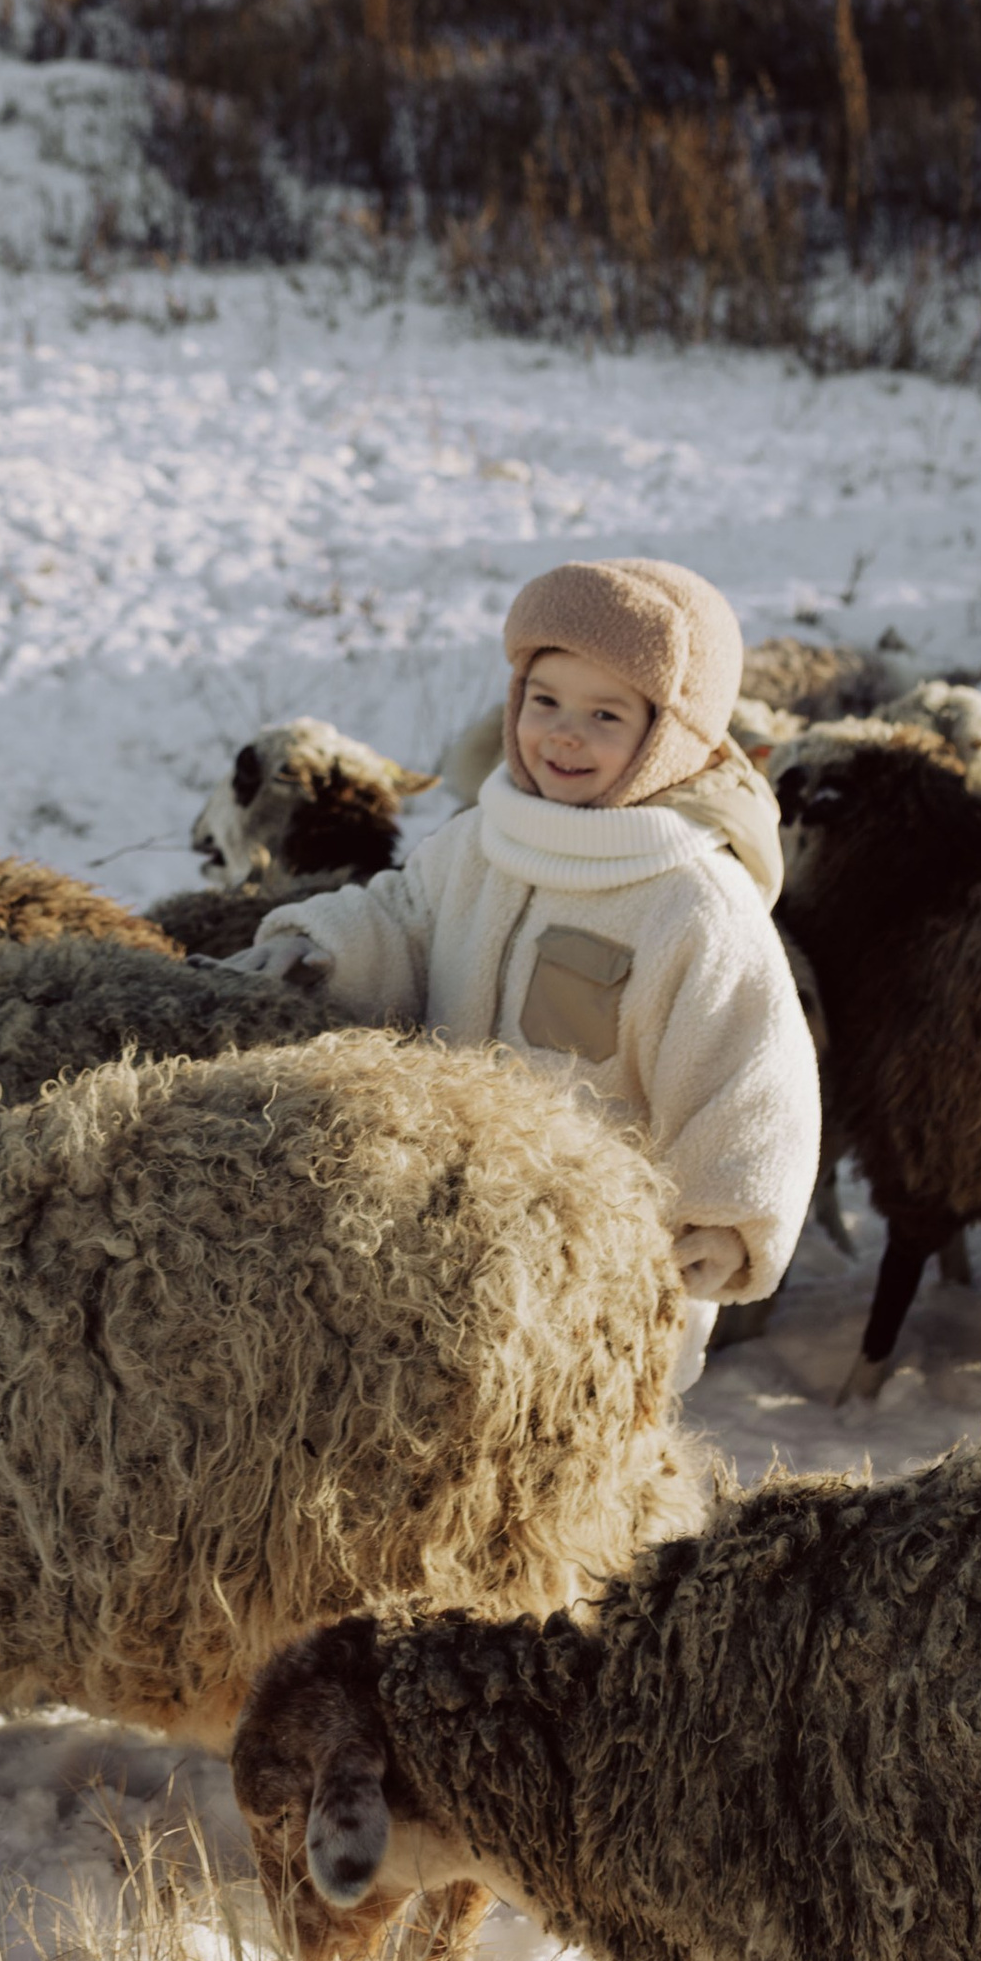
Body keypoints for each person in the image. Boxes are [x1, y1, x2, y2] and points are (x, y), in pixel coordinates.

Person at [235, 556, 820, 1385]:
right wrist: (319, 944)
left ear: (670, 738)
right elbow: (403, 917)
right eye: (545, 702)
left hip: (599, 1276)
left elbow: (752, 1072)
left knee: (569, 1475)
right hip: (442, 1235)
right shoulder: (489, 839)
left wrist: (726, 1217)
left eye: (606, 715)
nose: (564, 734)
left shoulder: (690, 903)